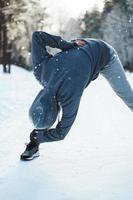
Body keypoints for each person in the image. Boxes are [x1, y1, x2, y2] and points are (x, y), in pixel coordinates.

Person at [20, 31, 133, 161]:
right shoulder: (40, 71)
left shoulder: (69, 95)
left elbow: (61, 133)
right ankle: (34, 146)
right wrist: (67, 45)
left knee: (127, 95)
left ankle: (34, 145)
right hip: (82, 47)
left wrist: (36, 136)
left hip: (106, 56)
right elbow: (37, 36)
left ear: (57, 111)